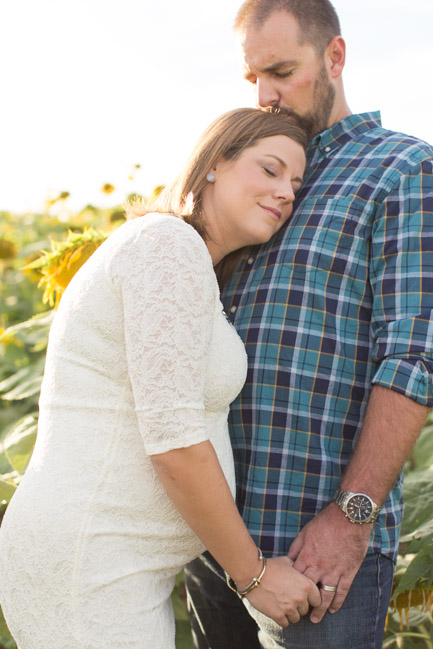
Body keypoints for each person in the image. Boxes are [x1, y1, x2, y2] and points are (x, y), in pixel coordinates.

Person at [0, 108, 320, 649]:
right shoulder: (166, 247)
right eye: (270, 170)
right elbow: (173, 442)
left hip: (116, 564)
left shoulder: (185, 259)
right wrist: (255, 576)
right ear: (214, 163)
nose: (287, 192)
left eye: (295, 182)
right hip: (92, 566)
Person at [184, 2, 433, 648]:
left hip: (316, 555)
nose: (266, 95)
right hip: (216, 547)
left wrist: (350, 519)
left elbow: (411, 358)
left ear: (335, 58)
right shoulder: (252, 170)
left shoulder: (402, 171)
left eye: (281, 71)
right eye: (253, 79)